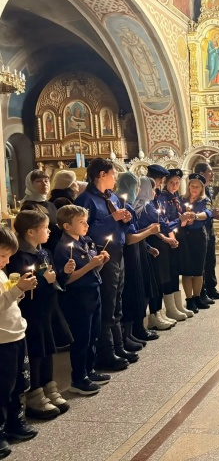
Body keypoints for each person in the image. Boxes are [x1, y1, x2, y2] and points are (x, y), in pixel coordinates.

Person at [7, 210, 70, 420]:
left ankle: (49, 386)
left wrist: (63, 273)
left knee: (48, 350)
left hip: (47, 309)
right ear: (31, 232)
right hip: (32, 311)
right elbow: (24, 286)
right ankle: (35, 394)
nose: (49, 231)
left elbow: (53, 279)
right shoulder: (19, 257)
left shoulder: (44, 252)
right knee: (36, 351)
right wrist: (45, 280)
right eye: (44, 228)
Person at [75, 158, 135, 371]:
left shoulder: (113, 197)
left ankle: (119, 346)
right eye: (113, 174)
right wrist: (112, 218)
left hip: (117, 251)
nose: (115, 178)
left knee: (117, 299)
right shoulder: (85, 200)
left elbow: (121, 224)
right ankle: (105, 353)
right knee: (107, 302)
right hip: (101, 255)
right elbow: (83, 231)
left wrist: (126, 219)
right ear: (102, 175)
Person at [53, 206, 111, 396]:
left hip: (93, 291)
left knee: (93, 334)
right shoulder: (64, 248)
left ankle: (89, 369)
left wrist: (100, 263)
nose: (86, 225)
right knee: (81, 338)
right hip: (78, 296)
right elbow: (67, 279)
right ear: (67, 226)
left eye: (86, 221)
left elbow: (93, 271)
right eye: (81, 222)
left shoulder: (86, 241)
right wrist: (90, 265)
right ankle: (78, 378)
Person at [0, 227, 38, 458]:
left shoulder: (2, 272)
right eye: (2, 255)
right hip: (2, 339)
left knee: (18, 384)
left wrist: (19, 291)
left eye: (8, 256)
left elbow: (8, 300)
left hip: (16, 334)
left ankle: (16, 422)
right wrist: (16, 291)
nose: (7, 261)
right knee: (2, 387)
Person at [115, 173, 162, 350]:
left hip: (137, 251)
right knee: (131, 293)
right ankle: (128, 334)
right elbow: (129, 237)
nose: (139, 190)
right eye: (137, 187)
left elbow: (134, 231)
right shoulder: (123, 205)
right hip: (128, 254)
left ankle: (135, 331)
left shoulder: (127, 205)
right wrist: (150, 231)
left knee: (140, 291)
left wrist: (147, 245)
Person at [134, 177, 180, 330]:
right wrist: (181, 220)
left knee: (160, 279)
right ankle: (154, 314)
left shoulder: (146, 205)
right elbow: (161, 226)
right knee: (155, 281)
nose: (155, 192)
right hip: (150, 244)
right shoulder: (146, 207)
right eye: (152, 189)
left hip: (151, 244)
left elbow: (157, 226)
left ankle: (159, 312)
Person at [158, 169, 198, 316]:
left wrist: (186, 219)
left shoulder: (176, 197)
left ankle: (177, 304)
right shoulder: (162, 198)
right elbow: (165, 220)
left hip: (178, 236)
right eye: (172, 183)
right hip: (168, 237)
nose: (175, 185)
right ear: (165, 183)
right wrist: (174, 232)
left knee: (176, 270)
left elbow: (178, 216)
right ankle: (171, 308)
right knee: (169, 272)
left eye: (177, 183)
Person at [192, 163, 219, 302]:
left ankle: (211, 288)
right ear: (201, 173)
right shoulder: (196, 192)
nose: (212, 174)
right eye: (210, 172)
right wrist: (210, 214)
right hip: (199, 230)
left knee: (211, 259)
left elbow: (208, 211)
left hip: (209, 228)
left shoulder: (208, 190)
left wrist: (215, 215)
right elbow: (197, 211)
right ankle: (201, 291)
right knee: (202, 261)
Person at [178, 174, 212, 312]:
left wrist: (195, 216)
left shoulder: (205, 200)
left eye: (197, 187)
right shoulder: (181, 199)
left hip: (198, 235)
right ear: (188, 186)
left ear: (202, 188)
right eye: (192, 186)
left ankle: (197, 297)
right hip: (184, 235)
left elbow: (207, 213)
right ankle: (189, 300)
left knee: (198, 268)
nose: (194, 189)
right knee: (187, 269)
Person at [21, 170, 60, 253]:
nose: (44, 184)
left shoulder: (51, 204)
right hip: (41, 250)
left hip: (55, 248)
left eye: (46, 181)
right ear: (30, 185)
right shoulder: (29, 206)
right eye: (38, 181)